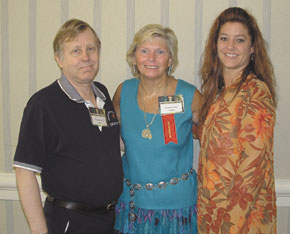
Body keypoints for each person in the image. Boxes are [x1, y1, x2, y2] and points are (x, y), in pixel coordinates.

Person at [13, 19, 123, 234]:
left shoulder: (102, 94)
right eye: (75, 51)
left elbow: (110, 144)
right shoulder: (44, 104)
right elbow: (24, 171)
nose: (86, 57)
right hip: (69, 223)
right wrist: (39, 230)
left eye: (91, 49)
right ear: (59, 59)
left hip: (107, 220)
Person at [112, 24, 202, 234]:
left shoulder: (189, 96)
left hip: (177, 210)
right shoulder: (123, 92)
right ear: (134, 57)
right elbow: (114, 142)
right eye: (144, 51)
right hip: (131, 205)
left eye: (159, 52)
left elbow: (214, 142)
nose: (151, 58)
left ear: (170, 59)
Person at [197, 7, 277, 234]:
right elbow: (219, 141)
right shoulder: (218, 93)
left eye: (239, 40)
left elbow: (252, 169)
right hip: (211, 214)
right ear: (216, 45)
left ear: (252, 48)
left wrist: (228, 226)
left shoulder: (256, 92)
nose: (230, 46)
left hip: (240, 221)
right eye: (224, 38)